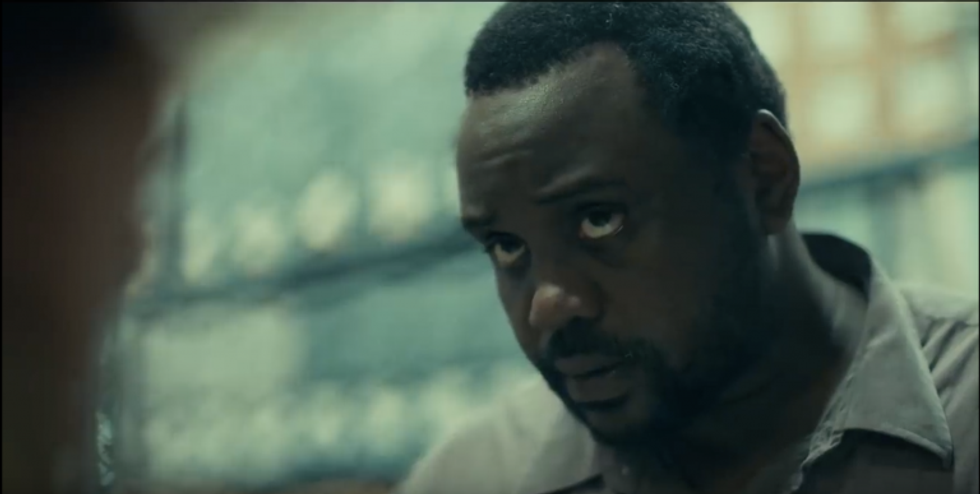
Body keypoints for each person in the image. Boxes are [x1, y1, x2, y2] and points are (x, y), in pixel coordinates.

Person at [398, 3, 979, 494]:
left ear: (764, 176)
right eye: (505, 246)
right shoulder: (473, 477)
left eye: (599, 220)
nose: (546, 306)